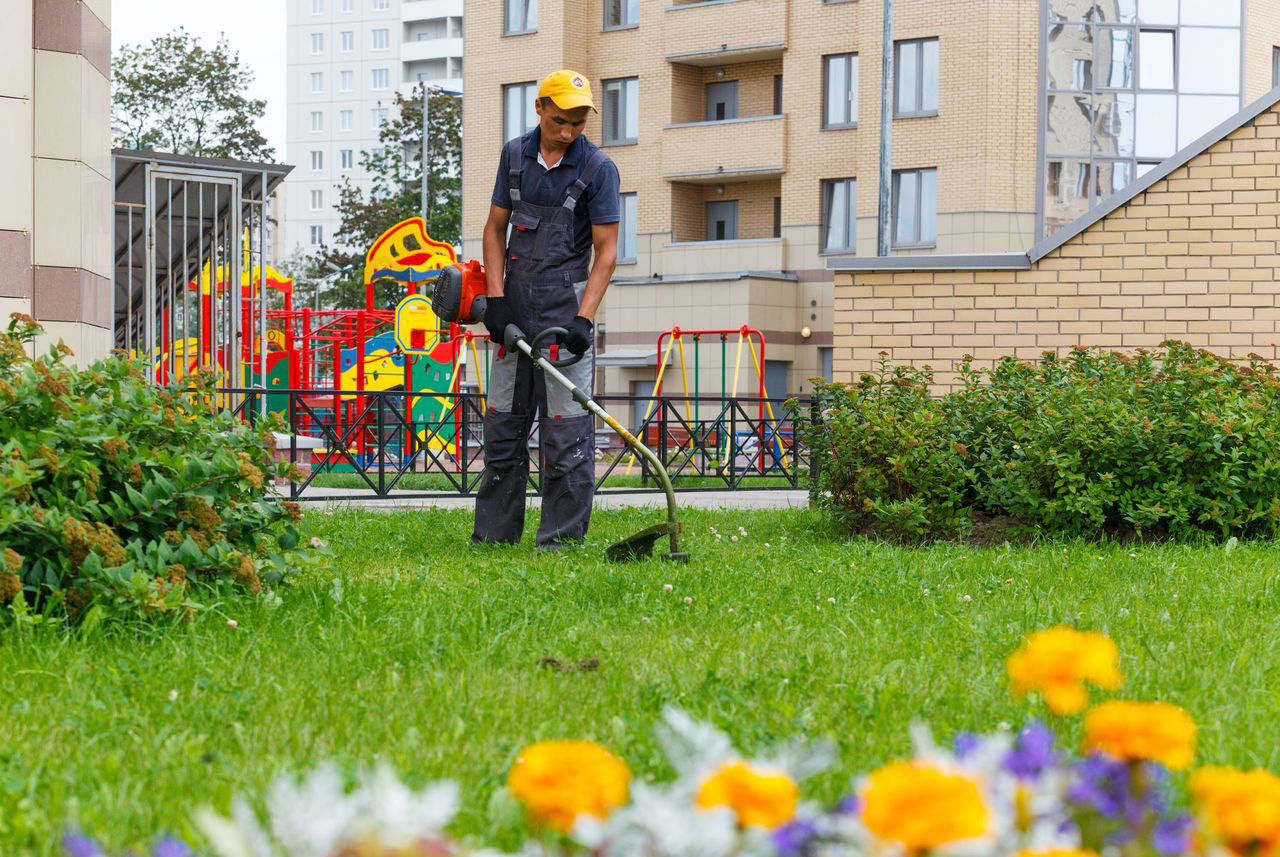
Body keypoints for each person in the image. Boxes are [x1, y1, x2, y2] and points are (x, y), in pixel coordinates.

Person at [472, 69, 620, 549]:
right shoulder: (514, 156)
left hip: (564, 319)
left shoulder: (599, 169)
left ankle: (559, 544)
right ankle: (494, 539)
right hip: (513, 315)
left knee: (567, 437)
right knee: (502, 429)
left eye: (578, 122)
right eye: (560, 120)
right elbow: (494, 230)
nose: (568, 131)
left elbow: (608, 250)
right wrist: (495, 301)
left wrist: (585, 319)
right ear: (539, 108)